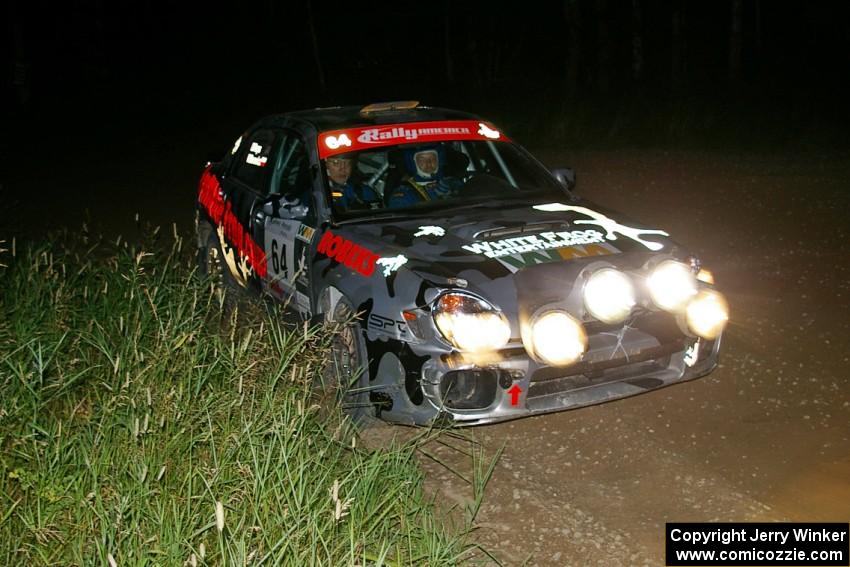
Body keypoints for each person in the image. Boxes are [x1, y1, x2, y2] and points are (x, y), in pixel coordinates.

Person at [387, 145, 463, 208]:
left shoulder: (453, 184)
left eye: (432, 159)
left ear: (439, 160)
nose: (429, 163)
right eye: (422, 160)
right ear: (412, 163)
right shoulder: (403, 195)